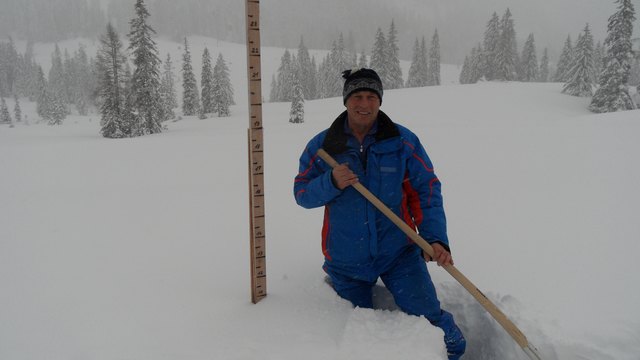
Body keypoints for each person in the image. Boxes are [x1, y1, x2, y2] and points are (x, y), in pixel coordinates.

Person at [293, 68, 466, 359]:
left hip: (398, 253)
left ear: (380, 100)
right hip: (346, 260)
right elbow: (302, 194)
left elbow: (426, 190)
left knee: (433, 321)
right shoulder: (323, 146)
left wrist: (435, 238)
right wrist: (331, 182)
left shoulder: (402, 141)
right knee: (352, 332)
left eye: (371, 96)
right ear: (346, 101)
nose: (364, 103)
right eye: (357, 96)